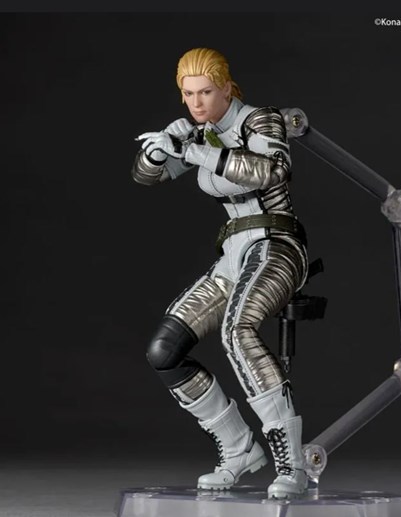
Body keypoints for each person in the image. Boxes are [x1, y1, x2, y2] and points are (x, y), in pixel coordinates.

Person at [132, 47, 309, 499]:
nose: (196, 103)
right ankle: (238, 449)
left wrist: (193, 150)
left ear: (227, 88)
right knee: (164, 350)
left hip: (277, 244)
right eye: (189, 94)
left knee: (237, 330)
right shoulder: (200, 132)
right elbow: (147, 177)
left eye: (206, 92)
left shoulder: (259, 120)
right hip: (234, 255)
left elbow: (271, 170)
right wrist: (160, 150)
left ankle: (292, 464)